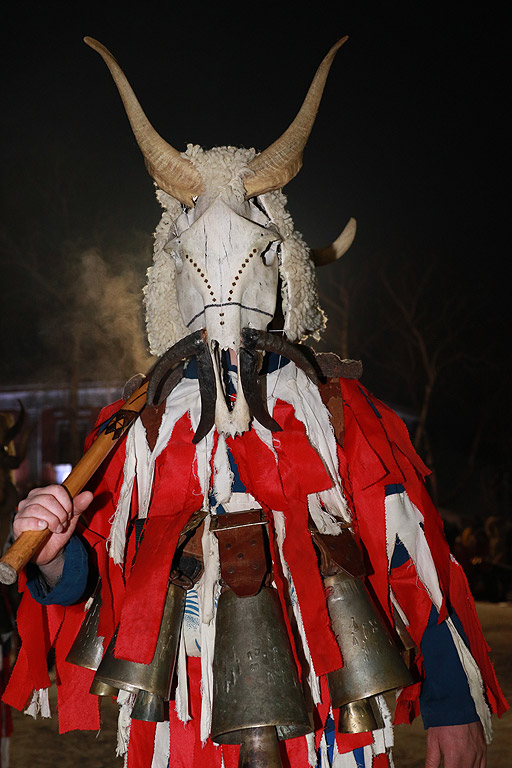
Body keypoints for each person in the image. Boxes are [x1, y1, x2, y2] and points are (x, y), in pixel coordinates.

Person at [3, 36, 508, 768]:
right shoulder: (134, 429)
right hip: (180, 708)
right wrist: (53, 559)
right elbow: (100, 579)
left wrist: (451, 705)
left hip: (327, 706)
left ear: (285, 266)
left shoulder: (337, 410)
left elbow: (411, 549)